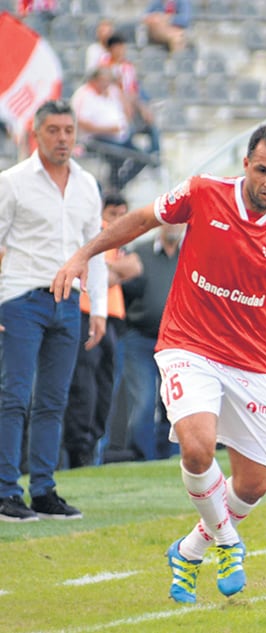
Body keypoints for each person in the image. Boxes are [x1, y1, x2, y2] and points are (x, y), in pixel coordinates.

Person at [52, 124, 266, 602]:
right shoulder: (203, 192)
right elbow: (143, 220)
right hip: (187, 345)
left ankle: (189, 550)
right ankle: (229, 542)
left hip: (251, 361)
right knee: (197, 449)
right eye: (262, 170)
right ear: (246, 163)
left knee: (254, 484)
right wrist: (83, 255)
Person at [0, 99, 106, 522]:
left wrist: (96, 307)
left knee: (53, 400)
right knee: (14, 397)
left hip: (68, 303)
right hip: (21, 296)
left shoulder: (87, 184)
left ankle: (43, 489)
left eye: (68, 130)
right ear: (36, 134)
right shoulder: (12, 181)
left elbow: (94, 250)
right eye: (54, 130)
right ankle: (7, 489)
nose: (62, 138)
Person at [62, 192, 139, 468]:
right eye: (113, 214)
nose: (119, 219)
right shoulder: (95, 231)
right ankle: (79, 451)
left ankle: (90, 448)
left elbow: (133, 267)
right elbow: (99, 273)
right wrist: (106, 272)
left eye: (123, 214)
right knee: (85, 388)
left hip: (111, 318)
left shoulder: (116, 237)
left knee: (104, 390)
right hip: (85, 313)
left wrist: (106, 271)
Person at [118, 222, 184, 461]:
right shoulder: (140, 253)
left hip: (177, 342)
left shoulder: (190, 254)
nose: (175, 225)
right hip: (140, 337)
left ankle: (172, 457)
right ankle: (142, 457)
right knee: (144, 400)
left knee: (174, 402)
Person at [70, 67, 151, 192]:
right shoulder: (84, 94)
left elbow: (128, 112)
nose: (106, 83)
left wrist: (119, 89)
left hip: (120, 137)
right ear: (94, 80)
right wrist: (108, 129)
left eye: (108, 80)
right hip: (96, 139)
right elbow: (79, 122)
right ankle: (112, 187)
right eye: (103, 80)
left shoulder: (112, 92)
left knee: (143, 157)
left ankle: (118, 186)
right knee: (117, 156)